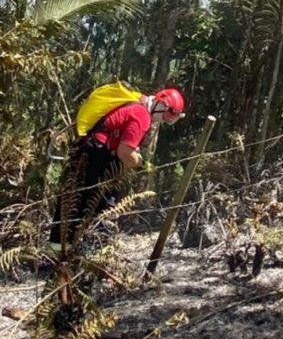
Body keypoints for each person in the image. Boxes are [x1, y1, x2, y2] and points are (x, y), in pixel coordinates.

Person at [49, 86, 186, 251]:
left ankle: (59, 251)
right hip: (99, 156)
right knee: (103, 207)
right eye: (167, 115)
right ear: (160, 104)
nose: (165, 119)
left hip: (89, 149)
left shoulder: (137, 104)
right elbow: (125, 153)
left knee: (73, 200)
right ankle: (92, 254)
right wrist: (140, 163)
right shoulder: (142, 115)